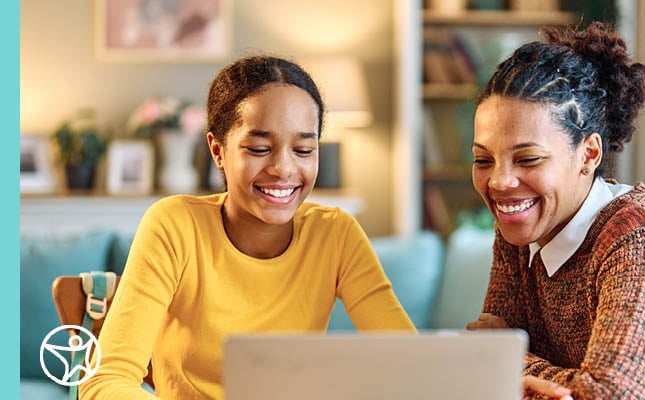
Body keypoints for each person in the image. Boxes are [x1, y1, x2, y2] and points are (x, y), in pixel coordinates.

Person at [80, 55, 416, 399]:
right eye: (259, 148)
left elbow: (411, 364)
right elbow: (105, 381)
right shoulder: (175, 226)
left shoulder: (335, 234)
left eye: (303, 149)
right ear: (218, 151)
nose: (284, 168)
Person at [465, 22, 645, 399]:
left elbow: (610, 396)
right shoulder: (522, 228)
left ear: (590, 153)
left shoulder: (644, 241)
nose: (499, 182)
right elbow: (489, 376)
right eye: (483, 160)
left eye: (528, 159)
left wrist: (515, 359)